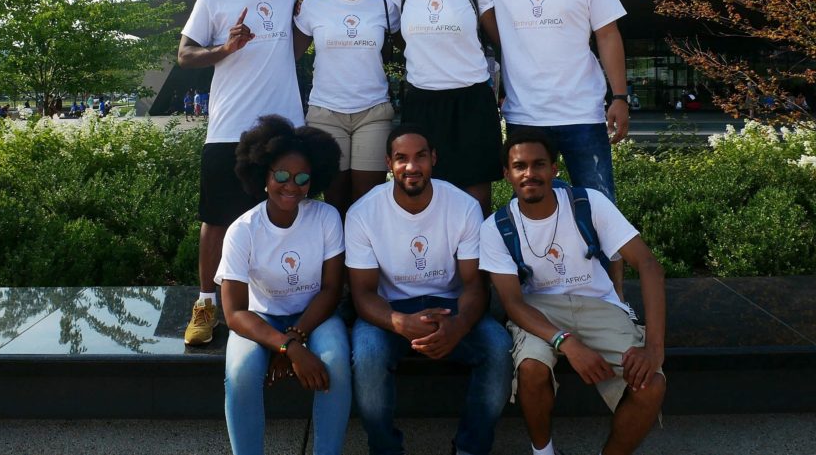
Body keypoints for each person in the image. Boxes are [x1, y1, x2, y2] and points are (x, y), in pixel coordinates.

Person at [480, 130, 665, 455]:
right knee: (531, 369)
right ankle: (544, 452)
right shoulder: (497, 227)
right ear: (506, 174)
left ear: (554, 168)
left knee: (650, 386)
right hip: (538, 309)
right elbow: (512, 302)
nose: (529, 173)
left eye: (539, 164)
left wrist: (654, 349)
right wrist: (567, 342)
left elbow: (648, 264)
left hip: (599, 305)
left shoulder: (587, 203)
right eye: (519, 166)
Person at [485, 0, 630, 298]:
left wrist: (619, 96)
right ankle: (541, 293)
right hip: (525, 116)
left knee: (603, 212)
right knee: (534, 215)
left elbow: (607, 35)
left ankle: (615, 298)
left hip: (582, 113)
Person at [178, 0, 306, 346]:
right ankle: (206, 303)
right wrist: (226, 47)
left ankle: (282, 299)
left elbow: (304, 37)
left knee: (288, 215)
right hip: (230, 127)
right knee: (217, 219)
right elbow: (184, 55)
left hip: (284, 126)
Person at [345, 123, 512, 455]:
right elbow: (363, 293)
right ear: (388, 164)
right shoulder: (363, 212)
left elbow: (474, 284)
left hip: (451, 305)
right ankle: (386, 449)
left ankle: (470, 448)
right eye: (401, 158)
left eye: (420, 156)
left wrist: (458, 326)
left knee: (498, 348)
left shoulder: (462, 206)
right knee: (368, 356)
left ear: (433, 158)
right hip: (388, 308)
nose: (411, 167)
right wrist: (399, 322)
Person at [216, 115, 350, 455]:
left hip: (314, 317)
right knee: (241, 372)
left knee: (335, 363)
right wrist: (288, 347)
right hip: (260, 320)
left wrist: (297, 335)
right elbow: (234, 313)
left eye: (302, 178)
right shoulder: (242, 230)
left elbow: (332, 289)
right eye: (281, 175)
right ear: (263, 174)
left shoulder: (326, 218)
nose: (291, 185)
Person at [386, 0, 503, 214]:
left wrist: (509, 90)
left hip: (472, 102)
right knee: (428, 193)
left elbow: (500, 42)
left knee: (476, 195)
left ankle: (478, 261)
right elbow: (391, 35)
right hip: (422, 103)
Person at [294, 0, 400, 214]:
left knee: (367, 203)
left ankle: (362, 259)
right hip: (326, 113)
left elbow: (409, 47)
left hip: (373, 112)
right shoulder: (313, 5)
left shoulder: (383, 6)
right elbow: (288, 54)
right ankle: (335, 259)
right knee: (334, 202)